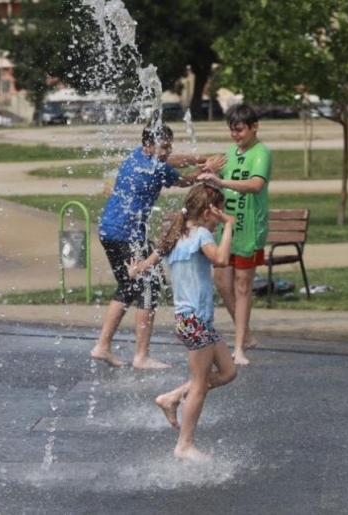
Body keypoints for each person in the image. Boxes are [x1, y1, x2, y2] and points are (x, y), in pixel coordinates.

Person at [91, 123, 226, 369]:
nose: (167, 151)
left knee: (129, 287)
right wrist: (208, 169)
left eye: (169, 146)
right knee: (148, 287)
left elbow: (173, 160)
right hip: (127, 233)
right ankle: (140, 356)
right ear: (149, 145)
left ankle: (102, 346)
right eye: (163, 147)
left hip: (110, 229)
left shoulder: (138, 155)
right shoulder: (155, 171)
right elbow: (187, 181)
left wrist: (202, 158)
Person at [128, 184, 237, 461]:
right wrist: (229, 226)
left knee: (227, 372)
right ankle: (184, 445)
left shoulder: (175, 236)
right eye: (219, 212)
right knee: (200, 384)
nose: (220, 217)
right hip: (194, 321)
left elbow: (144, 267)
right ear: (209, 212)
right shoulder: (200, 234)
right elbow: (222, 260)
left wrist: (134, 269)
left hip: (195, 322)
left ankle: (173, 397)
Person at [198, 104, 271, 366]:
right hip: (227, 228)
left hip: (250, 229)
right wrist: (210, 172)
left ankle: (239, 347)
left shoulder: (261, 152)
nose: (236, 135)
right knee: (222, 283)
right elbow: (216, 180)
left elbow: (255, 184)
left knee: (242, 286)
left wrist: (222, 182)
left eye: (239, 130)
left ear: (254, 127)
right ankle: (247, 334)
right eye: (232, 130)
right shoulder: (230, 152)